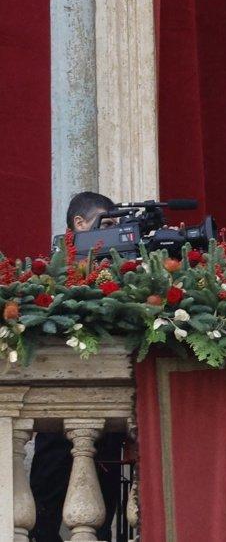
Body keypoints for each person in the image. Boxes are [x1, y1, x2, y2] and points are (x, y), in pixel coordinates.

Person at [31, 192, 125, 541]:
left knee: (104, 510)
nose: (114, 233)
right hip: (57, 411)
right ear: (79, 225)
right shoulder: (50, 274)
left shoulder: (123, 273)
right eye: (106, 224)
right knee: (46, 505)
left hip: (110, 413)